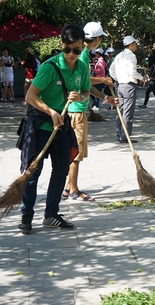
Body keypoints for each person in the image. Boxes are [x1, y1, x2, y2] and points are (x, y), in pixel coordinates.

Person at [18, 24, 91, 233]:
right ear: (62, 45)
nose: (71, 54)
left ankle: (51, 214)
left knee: (61, 171)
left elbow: (86, 91)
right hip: (41, 125)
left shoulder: (82, 68)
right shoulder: (50, 67)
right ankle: (26, 216)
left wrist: (80, 97)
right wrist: (51, 111)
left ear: (82, 48)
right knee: (32, 172)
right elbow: (30, 96)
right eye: (68, 49)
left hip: (62, 126)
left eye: (77, 50)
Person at [63, 22, 116, 202]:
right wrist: (103, 79)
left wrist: (105, 98)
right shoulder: (83, 55)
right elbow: (87, 81)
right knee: (76, 152)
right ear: (97, 39)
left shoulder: (83, 54)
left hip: (73, 108)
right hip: (76, 110)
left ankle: (68, 187)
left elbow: (85, 85)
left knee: (72, 150)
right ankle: (74, 191)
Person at [110, 35, 145, 143]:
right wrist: (141, 77)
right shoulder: (131, 56)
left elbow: (111, 70)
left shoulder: (119, 56)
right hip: (129, 85)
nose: (136, 46)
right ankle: (125, 136)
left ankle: (119, 134)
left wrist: (118, 79)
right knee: (128, 112)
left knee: (120, 110)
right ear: (131, 44)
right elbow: (132, 72)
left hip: (120, 85)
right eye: (135, 44)